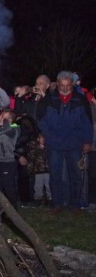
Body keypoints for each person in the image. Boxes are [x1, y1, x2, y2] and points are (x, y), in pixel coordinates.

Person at [37, 71, 93, 211]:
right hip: (54, 143)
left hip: (74, 143)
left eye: (68, 86)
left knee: (75, 175)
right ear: (57, 83)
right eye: (62, 85)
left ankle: (75, 204)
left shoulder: (80, 99)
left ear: (72, 85)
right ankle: (57, 203)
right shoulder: (48, 99)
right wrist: (47, 135)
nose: (65, 88)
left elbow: (87, 122)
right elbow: (40, 119)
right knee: (55, 176)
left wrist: (87, 141)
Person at [0, 109, 21, 208]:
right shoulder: (3, 128)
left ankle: (12, 211)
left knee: (9, 187)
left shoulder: (13, 129)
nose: (1, 118)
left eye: (4, 117)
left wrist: (3, 121)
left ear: (11, 120)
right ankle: (0, 210)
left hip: (8, 162)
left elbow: (6, 129)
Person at [26, 133, 51, 206]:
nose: (43, 139)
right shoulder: (34, 149)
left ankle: (49, 198)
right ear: (38, 139)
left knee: (48, 185)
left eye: (44, 138)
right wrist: (30, 168)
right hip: (38, 171)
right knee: (38, 186)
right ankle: (38, 199)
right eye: (41, 138)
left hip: (48, 171)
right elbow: (31, 159)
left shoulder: (49, 148)